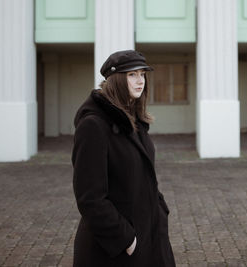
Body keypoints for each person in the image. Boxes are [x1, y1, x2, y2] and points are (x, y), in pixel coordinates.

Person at [71, 50, 176, 267]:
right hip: (115, 249)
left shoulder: (133, 121)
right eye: (132, 75)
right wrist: (126, 239)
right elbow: (90, 198)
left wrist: (159, 208)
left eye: (142, 75)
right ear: (117, 79)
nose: (140, 81)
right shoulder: (94, 126)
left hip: (149, 233)